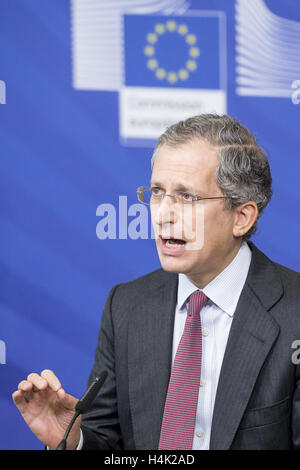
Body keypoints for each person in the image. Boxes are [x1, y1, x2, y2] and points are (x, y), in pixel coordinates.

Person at [12, 114, 300, 450]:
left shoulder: (294, 314)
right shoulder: (127, 307)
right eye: (157, 192)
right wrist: (75, 438)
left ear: (241, 217)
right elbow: (110, 444)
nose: (163, 214)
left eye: (188, 197)